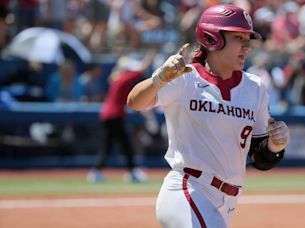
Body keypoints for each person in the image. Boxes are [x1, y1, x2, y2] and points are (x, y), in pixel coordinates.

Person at [127, 4, 290, 227]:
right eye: (238, 38)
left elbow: (258, 157)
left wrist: (275, 146)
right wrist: (159, 80)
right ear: (213, 38)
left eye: (247, 39)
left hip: (229, 201)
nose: (246, 46)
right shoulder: (184, 76)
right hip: (188, 188)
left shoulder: (255, 88)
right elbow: (134, 101)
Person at [87, 49, 156, 183]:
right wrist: (150, 56)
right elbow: (141, 70)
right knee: (123, 144)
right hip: (115, 116)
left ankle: (99, 171)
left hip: (110, 115)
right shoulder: (123, 78)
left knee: (111, 145)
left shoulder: (117, 79)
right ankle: (131, 172)